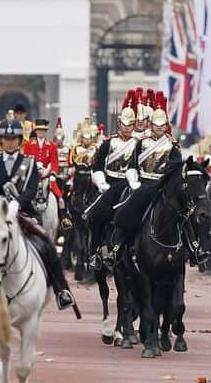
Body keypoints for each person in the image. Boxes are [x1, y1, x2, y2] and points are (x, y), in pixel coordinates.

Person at [0, 116, 75, 311]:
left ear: (19, 141)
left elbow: (32, 189)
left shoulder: (30, 164)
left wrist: (17, 204)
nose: (10, 142)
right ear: (0, 141)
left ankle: (61, 291)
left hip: (23, 213)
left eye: (14, 139)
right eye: (6, 139)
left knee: (46, 245)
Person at [102, 95, 185, 270]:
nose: (159, 129)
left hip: (164, 187)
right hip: (144, 186)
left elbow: (177, 171)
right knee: (128, 213)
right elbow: (132, 166)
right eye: (156, 125)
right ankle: (116, 248)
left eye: (163, 126)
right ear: (151, 125)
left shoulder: (173, 146)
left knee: (186, 214)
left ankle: (194, 248)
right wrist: (134, 182)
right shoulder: (142, 144)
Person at [84, 92, 142, 268]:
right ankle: (94, 252)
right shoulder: (108, 143)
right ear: (119, 124)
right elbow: (98, 165)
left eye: (130, 125)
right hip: (108, 184)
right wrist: (101, 183)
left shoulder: (139, 144)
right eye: (124, 124)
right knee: (96, 215)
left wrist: (135, 183)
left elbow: (138, 166)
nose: (127, 128)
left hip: (129, 184)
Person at [23, 117, 70, 227]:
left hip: (47, 178)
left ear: (45, 132)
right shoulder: (29, 145)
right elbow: (26, 160)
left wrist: (52, 173)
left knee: (60, 198)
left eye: (43, 130)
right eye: (39, 130)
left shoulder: (52, 146)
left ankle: (64, 219)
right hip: (32, 177)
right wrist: (33, 169)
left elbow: (54, 162)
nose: (40, 132)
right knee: (22, 195)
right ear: (36, 131)